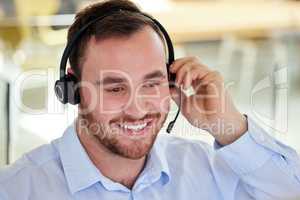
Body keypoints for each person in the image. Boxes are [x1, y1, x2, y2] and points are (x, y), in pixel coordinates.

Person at [1, 0, 300, 199]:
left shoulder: (210, 169)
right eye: (115, 88)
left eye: (152, 82)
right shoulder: (18, 189)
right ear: (72, 88)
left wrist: (231, 127)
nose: (138, 109)